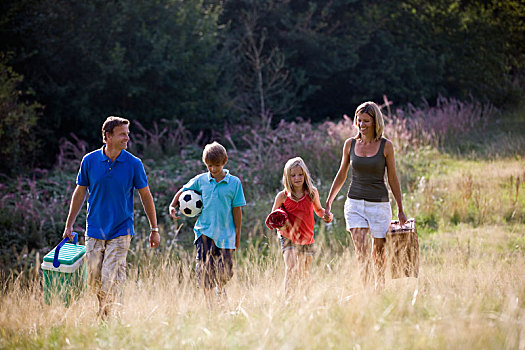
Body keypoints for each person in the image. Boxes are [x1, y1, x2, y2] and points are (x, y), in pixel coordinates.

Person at [62, 116, 160, 318]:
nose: (127, 138)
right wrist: (69, 225)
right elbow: (80, 193)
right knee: (94, 280)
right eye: (122, 134)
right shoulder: (89, 161)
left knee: (111, 278)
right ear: (108, 136)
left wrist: (154, 229)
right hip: (94, 229)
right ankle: (105, 313)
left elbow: (146, 196)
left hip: (121, 230)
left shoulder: (133, 163)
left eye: (128, 133)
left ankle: (107, 317)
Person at [324, 101, 407, 290]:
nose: (361, 125)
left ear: (375, 122)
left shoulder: (386, 146)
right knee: (361, 253)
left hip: (379, 205)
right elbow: (342, 174)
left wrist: (400, 209)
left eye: (366, 121)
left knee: (378, 252)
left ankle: (380, 288)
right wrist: (328, 202)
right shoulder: (350, 144)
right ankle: (366, 292)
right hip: (354, 204)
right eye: (359, 120)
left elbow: (392, 178)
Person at [168, 141, 246, 306]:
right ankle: (210, 305)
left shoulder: (234, 183)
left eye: (216, 165)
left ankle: (220, 290)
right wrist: (172, 205)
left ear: (224, 161)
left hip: (226, 234)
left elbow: (237, 211)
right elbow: (183, 190)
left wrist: (237, 234)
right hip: (204, 232)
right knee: (204, 269)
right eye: (209, 166)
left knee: (226, 271)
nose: (213, 169)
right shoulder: (201, 180)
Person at [268, 157, 333, 296]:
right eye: (293, 175)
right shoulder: (282, 196)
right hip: (288, 237)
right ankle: (288, 300)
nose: (297, 178)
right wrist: (282, 226)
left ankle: (305, 299)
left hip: (306, 237)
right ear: (287, 177)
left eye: (300, 174)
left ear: (305, 174)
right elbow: (273, 217)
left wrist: (326, 215)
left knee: (305, 272)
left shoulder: (311, 193)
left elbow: (319, 210)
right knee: (291, 267)